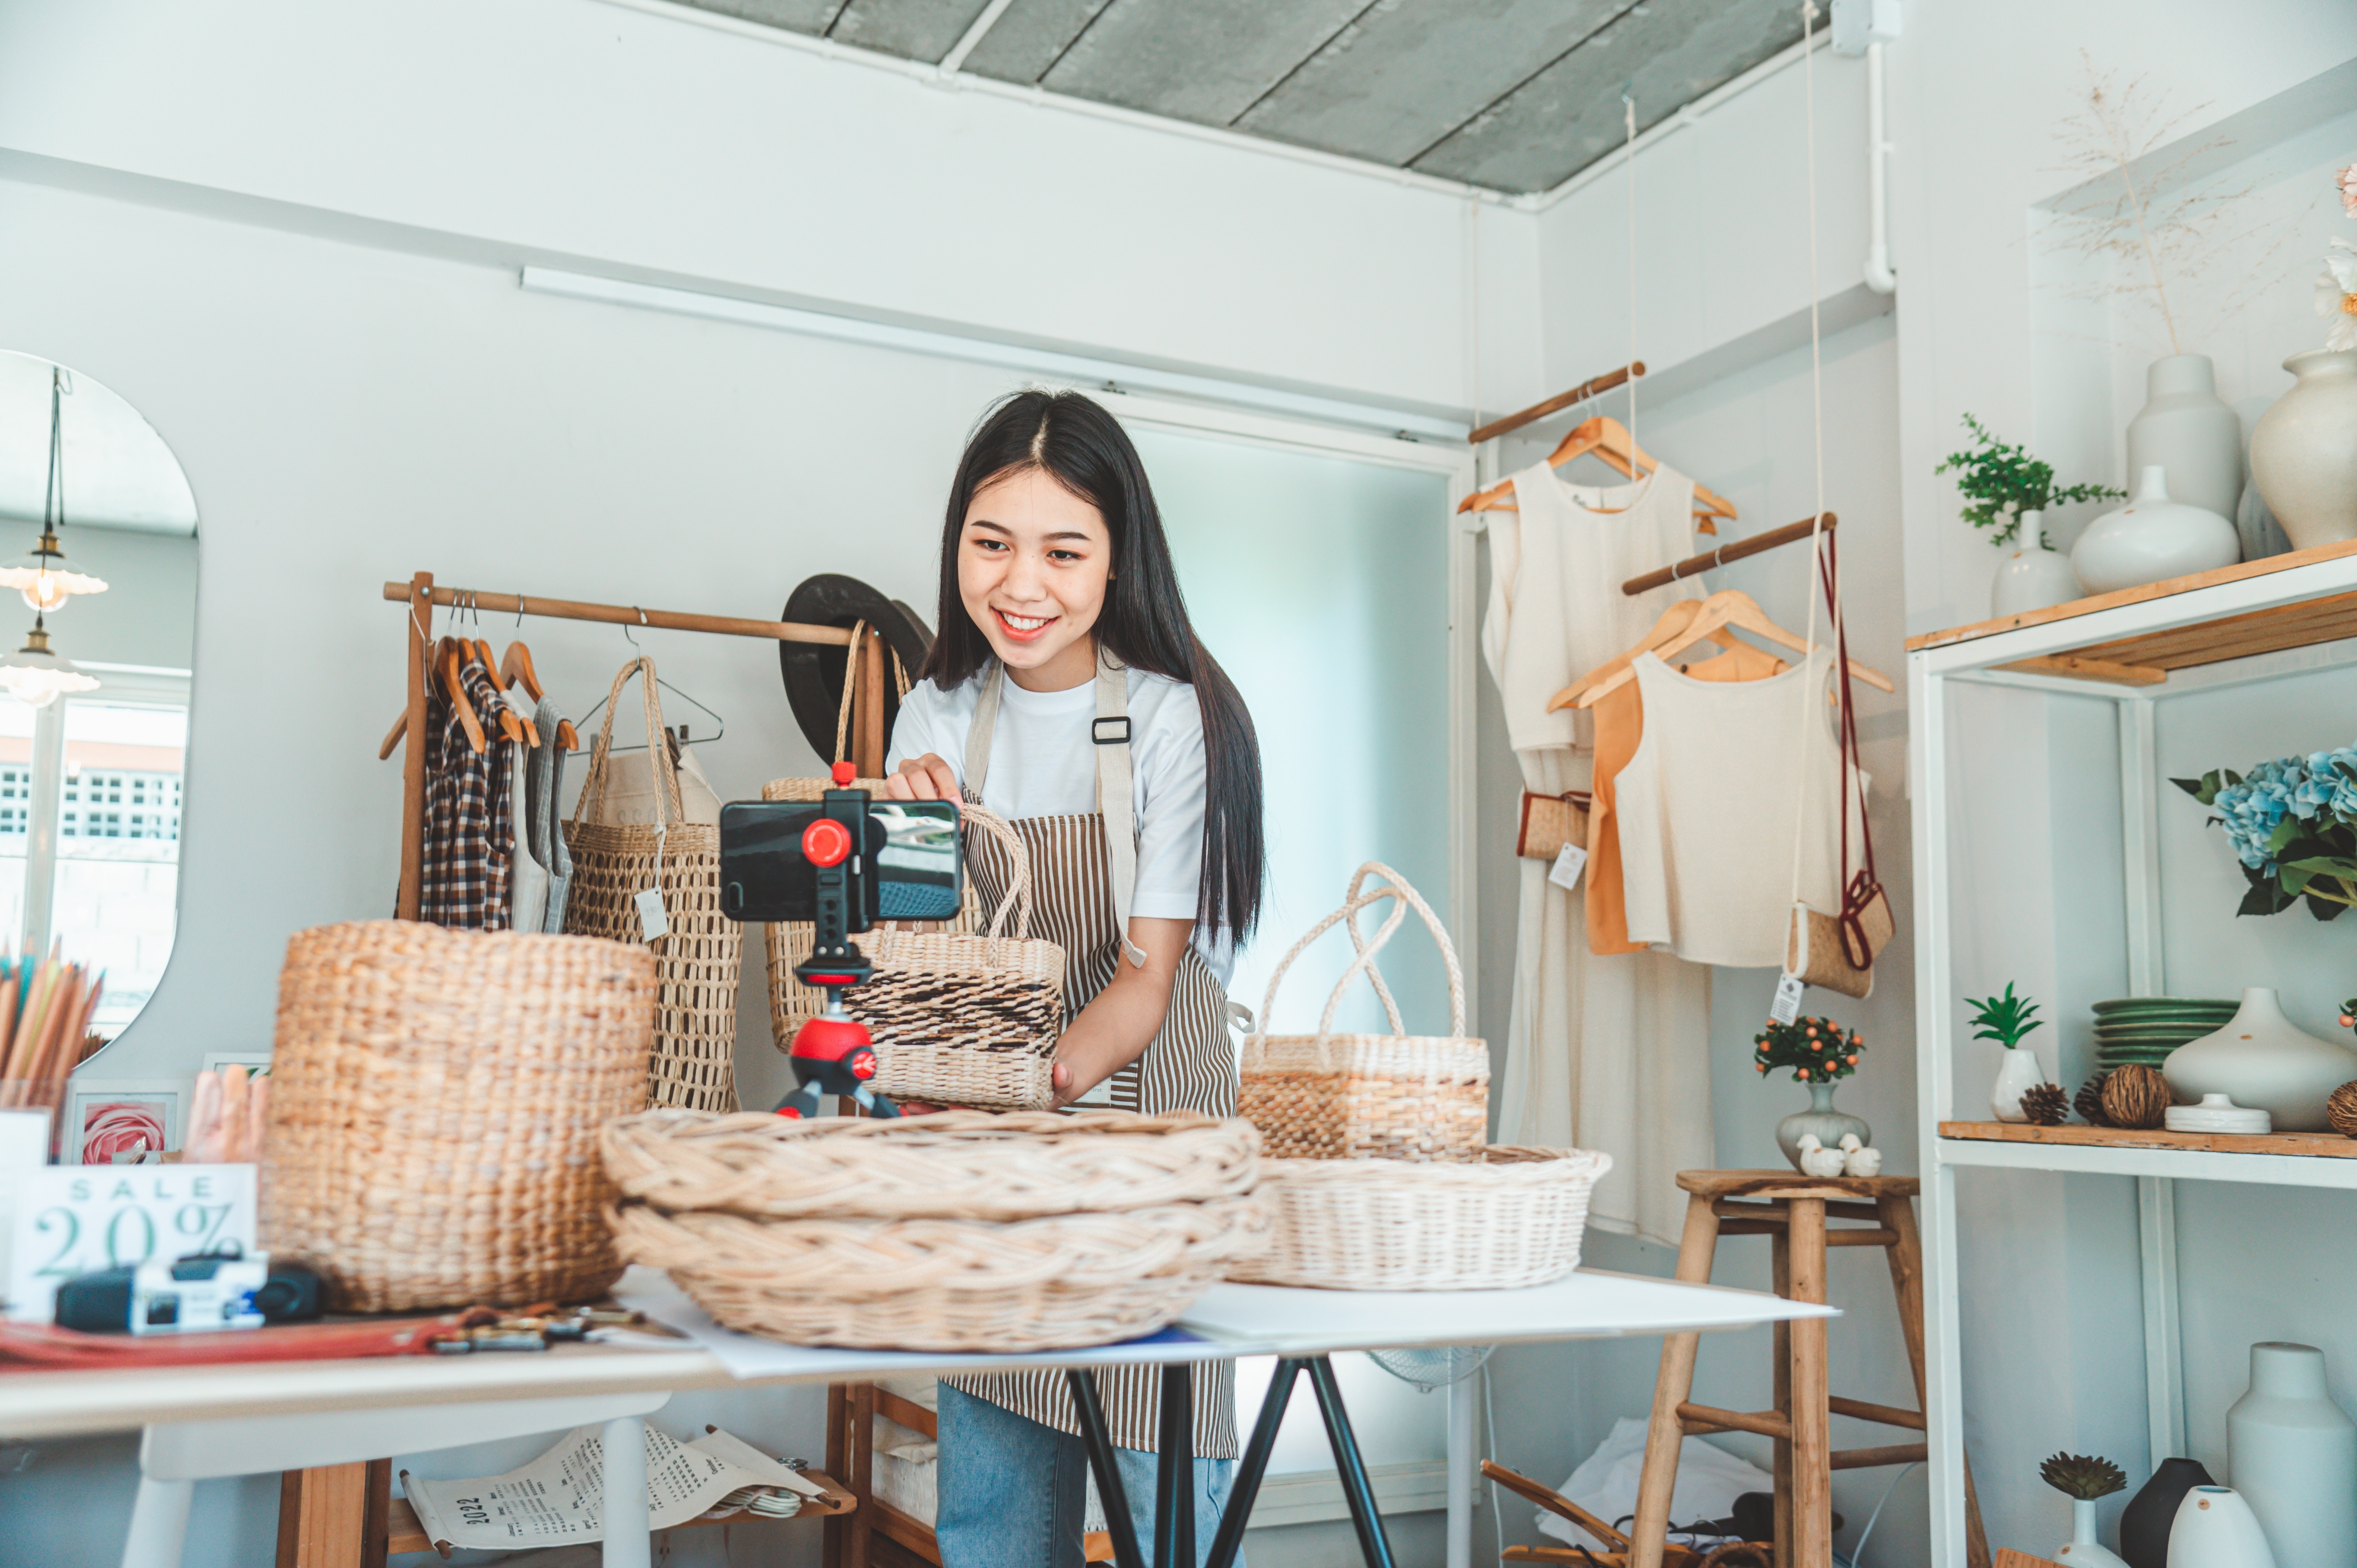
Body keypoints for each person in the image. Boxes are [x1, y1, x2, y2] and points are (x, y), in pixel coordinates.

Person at [885, 388, 1265, 1568]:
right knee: (994, 1504)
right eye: (991, 544)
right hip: (997, 1129)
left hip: (1146, 1111)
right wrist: (909, 853)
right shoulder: (933, 717)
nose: (1021, 584)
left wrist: (1028, 1102)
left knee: (1165, 1495)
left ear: (1119, 560)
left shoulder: (1168, 719)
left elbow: (1147, 983)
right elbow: (918, 976)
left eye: (1064, 550)